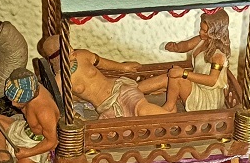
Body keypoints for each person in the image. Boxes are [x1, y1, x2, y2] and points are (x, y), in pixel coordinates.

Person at [40, 35, 170, 118]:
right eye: (66, 49)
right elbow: (61, 106)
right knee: (113, 130)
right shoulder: (60, 81)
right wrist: (75, 115)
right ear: (56, 57)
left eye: (69, 45)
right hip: (106, 107)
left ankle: (172, 121)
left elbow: (102, 63)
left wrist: (123, 67)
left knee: (140, 109)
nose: (72, 50)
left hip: (119, 90)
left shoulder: (82, 55)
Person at [151, 9, 232, 112]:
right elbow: (186, 45)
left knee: (178, 77)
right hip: (197, 86)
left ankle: (169, 107)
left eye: (205, 31)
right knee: (168, 76)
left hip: (208, 100)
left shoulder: (218, 55)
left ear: (215, 32)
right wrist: (175, 47)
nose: (200, 32)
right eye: (201, 28)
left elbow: (212, 81)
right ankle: (134, 89)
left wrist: (184, 73)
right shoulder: (202, 40)